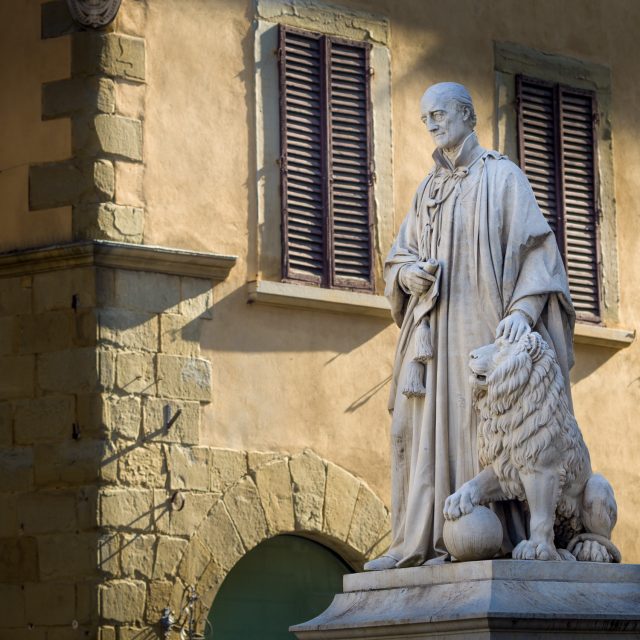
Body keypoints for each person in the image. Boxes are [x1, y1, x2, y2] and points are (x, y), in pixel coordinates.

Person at [365, 82, 575, 570]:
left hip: (487, 329)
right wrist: (406, 274)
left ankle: (501, 530)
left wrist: (522, 316)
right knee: (421, 430)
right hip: (433, 338)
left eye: (439, 114)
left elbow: (540, 255)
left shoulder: (503, 178)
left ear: (466, 114)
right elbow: (398, 257)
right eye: (425, 119)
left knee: (484, 423)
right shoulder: (427, 190)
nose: (433, 124)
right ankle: (420, 540)